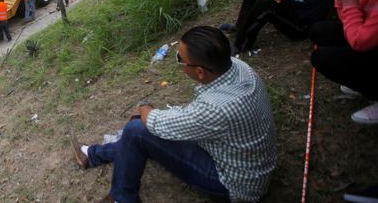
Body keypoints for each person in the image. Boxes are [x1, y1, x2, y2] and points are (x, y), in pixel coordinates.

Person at [70, 26, 277, 203]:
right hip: (248, 164)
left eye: (180, 59)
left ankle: (121, 197)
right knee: (142, 133)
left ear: (200, 72)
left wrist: (144, 108)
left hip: (232, 184)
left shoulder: (215, 108)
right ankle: (92, 155)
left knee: (136, 129)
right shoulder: (239, 68)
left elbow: (154, 121)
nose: (178, 63)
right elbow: (188, 119)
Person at [310, 0, 378, 124]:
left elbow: (359, 41)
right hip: (369, 40)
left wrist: (350, 1)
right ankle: (363, 80)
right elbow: (352, 20)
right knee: (320, 30)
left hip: (367, 42)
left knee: (322, 57)